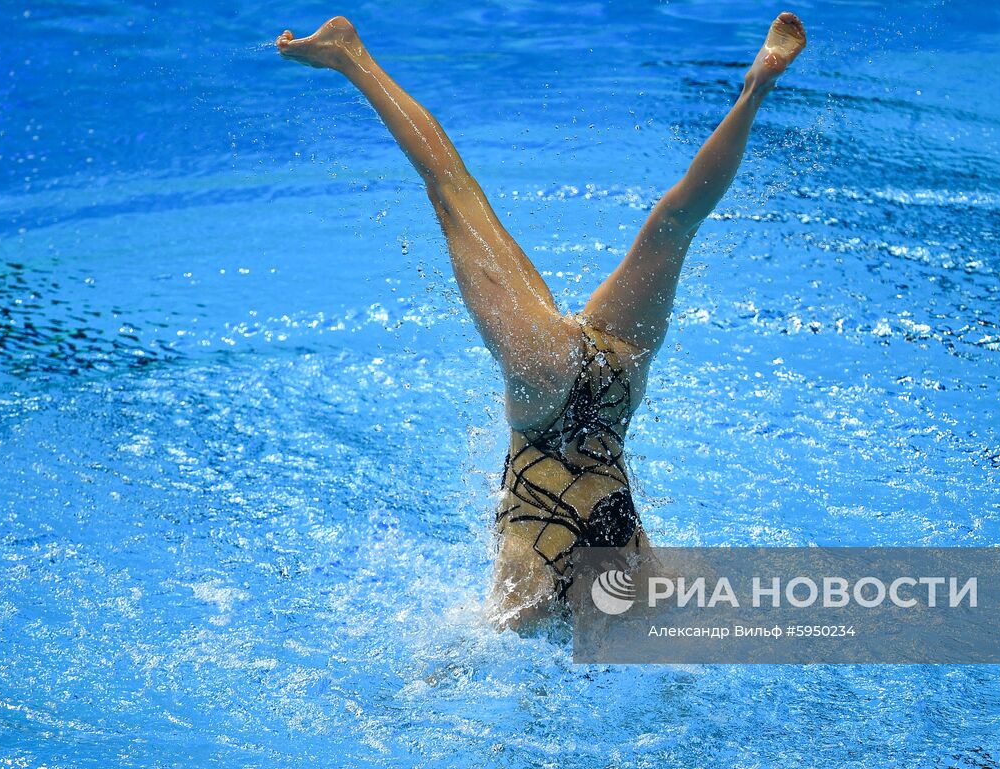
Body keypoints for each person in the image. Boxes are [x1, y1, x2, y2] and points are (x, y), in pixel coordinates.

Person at [277, 12, 807, 628]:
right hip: (551, 379)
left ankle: (754, 91)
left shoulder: (632, 574)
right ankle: (349, 55)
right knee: (452, 191)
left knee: (673, 222)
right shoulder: (539, 598)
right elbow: (471, 648)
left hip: (612, 380)